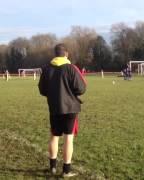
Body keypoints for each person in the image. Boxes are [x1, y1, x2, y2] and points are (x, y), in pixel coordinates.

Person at [38, 44, 86, 177]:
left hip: (54, 108)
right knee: (68, 139)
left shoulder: (47, 69)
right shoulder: (71, 68)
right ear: (66, 54)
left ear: (55, 54)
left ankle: (52, 167)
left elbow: (42, 90)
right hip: (70, 108)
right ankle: (66, 170)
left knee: (54, 136)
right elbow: (81, 88)